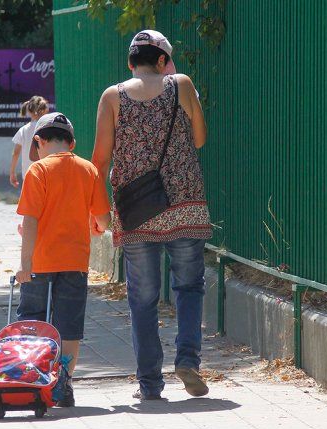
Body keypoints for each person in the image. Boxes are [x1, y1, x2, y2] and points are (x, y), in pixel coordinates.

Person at [91, 30, 212, 401]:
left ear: (130, 62)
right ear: (162, 60)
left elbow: (100, 160)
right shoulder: (182, 85)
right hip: (185, 203)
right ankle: (187, 360)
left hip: (137, 210)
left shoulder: (112, 97)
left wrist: (99, 211)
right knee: (188, 286)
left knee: (142, 298)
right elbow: (200, 138)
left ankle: (149, 383)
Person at [15, 112, 111, 408]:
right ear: (72, 143)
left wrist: (24, 264)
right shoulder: (88, 169)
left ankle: (32, 378)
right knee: (69, 325)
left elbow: (30, 220)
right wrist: (96, 225)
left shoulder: (38, 170)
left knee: (32, 321)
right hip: (75, 263)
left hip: (40, 263)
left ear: (39, 141)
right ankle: (64, 381)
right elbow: (103, 219)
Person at [9, 96, 49, 187]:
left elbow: (16, 153)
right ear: (45, 110)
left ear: (29, 111)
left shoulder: (23, 130)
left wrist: (12, 172)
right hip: (46, 173)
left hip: (29, 174)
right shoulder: (48, 128)